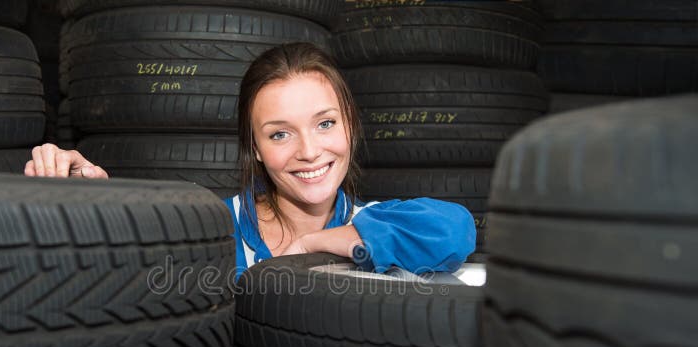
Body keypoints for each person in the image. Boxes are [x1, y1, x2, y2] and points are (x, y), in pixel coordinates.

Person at [25, 42, 476, 279]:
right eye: (280, 133)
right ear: (256, 148)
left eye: (325, 124)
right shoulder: (214, 228)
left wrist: (314, 245)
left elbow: (454, 230)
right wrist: (91, 198)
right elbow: (134, 251)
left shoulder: (371, 223)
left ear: (350, 127)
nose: (309, 151)